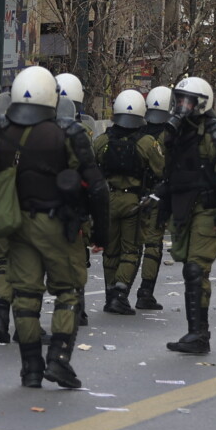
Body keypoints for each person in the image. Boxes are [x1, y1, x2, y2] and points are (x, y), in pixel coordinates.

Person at [0, 66, 109, 388]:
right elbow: (96, 187)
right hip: (57, 224)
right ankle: (58, 359)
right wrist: (102, 233)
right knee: (68, 292)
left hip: (17, 225)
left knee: (25, 296)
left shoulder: (2, 132)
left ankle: (31, 368)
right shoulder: (68, 133)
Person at [154, 77, 216, 355]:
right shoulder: (176, 134)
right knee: (187, 267)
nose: (182, 106)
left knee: (195, 269)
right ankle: (195, 332)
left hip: (207, 208)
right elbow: (169, 173)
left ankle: (198, 334)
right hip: (183, 207)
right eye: (179, 100)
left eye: (188, 101)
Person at [94, 89, 164, 316]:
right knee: (131, 250)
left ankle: (109, 292)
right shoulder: (146, 142)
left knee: (110, 251)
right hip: (135, 201)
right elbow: (160, 169)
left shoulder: (102, 140)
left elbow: (91, 167)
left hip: (108, 200)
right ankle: (120, 293)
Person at [55, 72, 94, 326]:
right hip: (73, 202)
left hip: (37, 202)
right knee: (77, 256)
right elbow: (91, 171)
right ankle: (75, 308)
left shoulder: (33, 128)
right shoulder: (83, 132)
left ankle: (11, 313)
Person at [133, 85, 172, 311]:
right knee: (153, 244)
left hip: (133, 195)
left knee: (130, 244)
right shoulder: (168, 136)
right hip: (156, 195)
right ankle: (145, 291)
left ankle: (117, 292)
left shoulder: (138, 131)